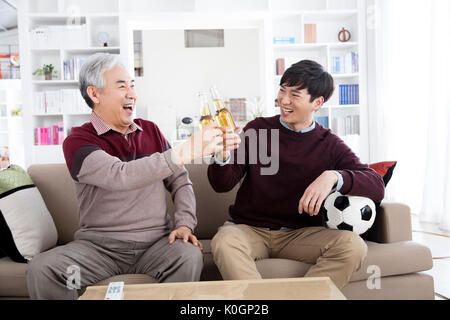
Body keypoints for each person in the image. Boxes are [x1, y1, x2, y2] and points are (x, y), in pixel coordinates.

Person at [26, 53, 224, 300]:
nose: (132, 93)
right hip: (97, 250)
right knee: (43, 268)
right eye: (122, 86)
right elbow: (119, 176)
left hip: (156, 246)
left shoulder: (150, 130)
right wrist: (184, 151)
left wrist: (185, 223)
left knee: (188, 254)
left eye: (132, 85)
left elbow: (180, 181)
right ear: (94, 94)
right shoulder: (78, 141)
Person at [208, 60, 385, 289]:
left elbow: (376, 184)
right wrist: (223, 156)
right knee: (224, 241)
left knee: (353, 246)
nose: (284, 100)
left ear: (317, 102)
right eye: (282, 90)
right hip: (249, 229)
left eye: (295, 94)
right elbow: (222, 184)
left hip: (301, 234)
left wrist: (333, 176)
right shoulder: (258, 129)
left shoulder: (329, 143)